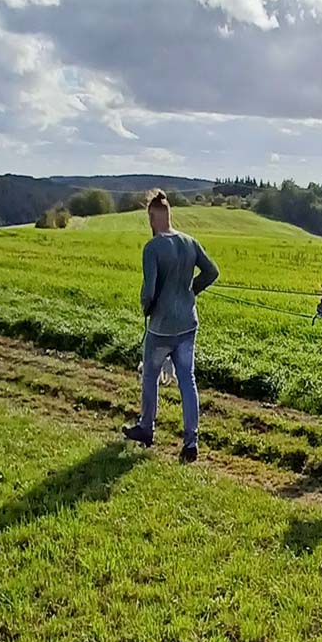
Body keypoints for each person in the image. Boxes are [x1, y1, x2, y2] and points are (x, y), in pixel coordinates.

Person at [122, 190, 219, 462]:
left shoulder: (152, 248)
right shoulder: (190, 242)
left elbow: (149, 290)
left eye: (149, 219)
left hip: (162, 327)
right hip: (188, 324)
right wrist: (192, 291)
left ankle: (146, 428)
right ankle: (191, 442)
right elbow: (212, 272)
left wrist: (146, 306)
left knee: (150, 376)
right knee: (187, 380)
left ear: (153, 217)